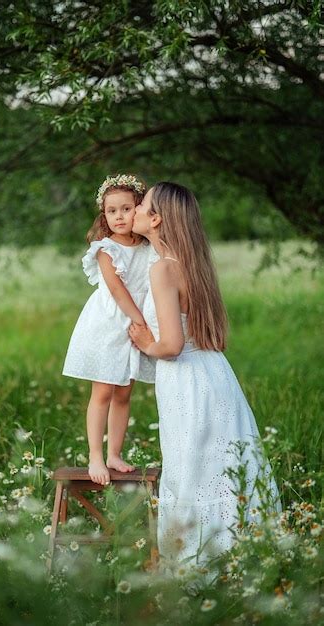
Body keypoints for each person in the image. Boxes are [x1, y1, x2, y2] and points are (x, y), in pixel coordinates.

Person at [129, 182, 280, 567]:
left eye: (142, 205)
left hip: (187, 383)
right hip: (216, 376)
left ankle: (198, 570)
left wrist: (146, 343)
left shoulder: (163, 270)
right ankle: (245, 562)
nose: (136, 210)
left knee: (193, 471)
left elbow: (172, 345)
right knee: (224, 470)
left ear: (157, 218)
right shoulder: (191, 263)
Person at [62, 174, 156, 486]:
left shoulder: (147, 247)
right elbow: (117, 291)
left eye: (126, 209)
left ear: (139, 209)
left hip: (135, 324)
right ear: (104, 214)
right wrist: (140, 321)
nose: (119, 216)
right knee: (103, 391)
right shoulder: (106, 249)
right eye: (112, 210)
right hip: (110, 323)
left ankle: (114, 453)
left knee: (125, 392)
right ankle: (95, 456)